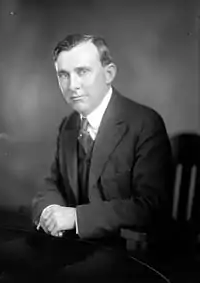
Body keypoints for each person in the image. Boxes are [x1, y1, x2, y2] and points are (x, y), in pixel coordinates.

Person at [30, 33, 173, 282]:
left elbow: (151, 205)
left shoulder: (144, 123)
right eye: (63, 75)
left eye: (82, 71)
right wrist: (50, 209)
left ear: (108, 74)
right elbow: (52, 184)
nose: (72, 84)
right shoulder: (68, 125)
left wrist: (76, 218)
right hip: (76, 249)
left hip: (131, 255)